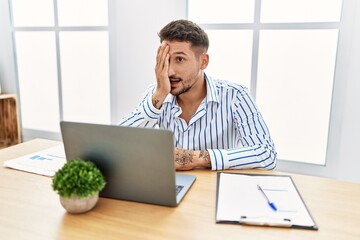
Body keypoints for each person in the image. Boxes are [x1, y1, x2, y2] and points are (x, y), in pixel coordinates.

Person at [119, 19, 276, 171]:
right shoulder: (156, 96)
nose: (169, 71)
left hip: (214, 190)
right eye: (165, 60)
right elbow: (117, 145)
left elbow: (267, 154)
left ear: (203, 62)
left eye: (179, 59)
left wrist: (196, 158)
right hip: (169, 188)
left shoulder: (235, 95)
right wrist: (159, 95)